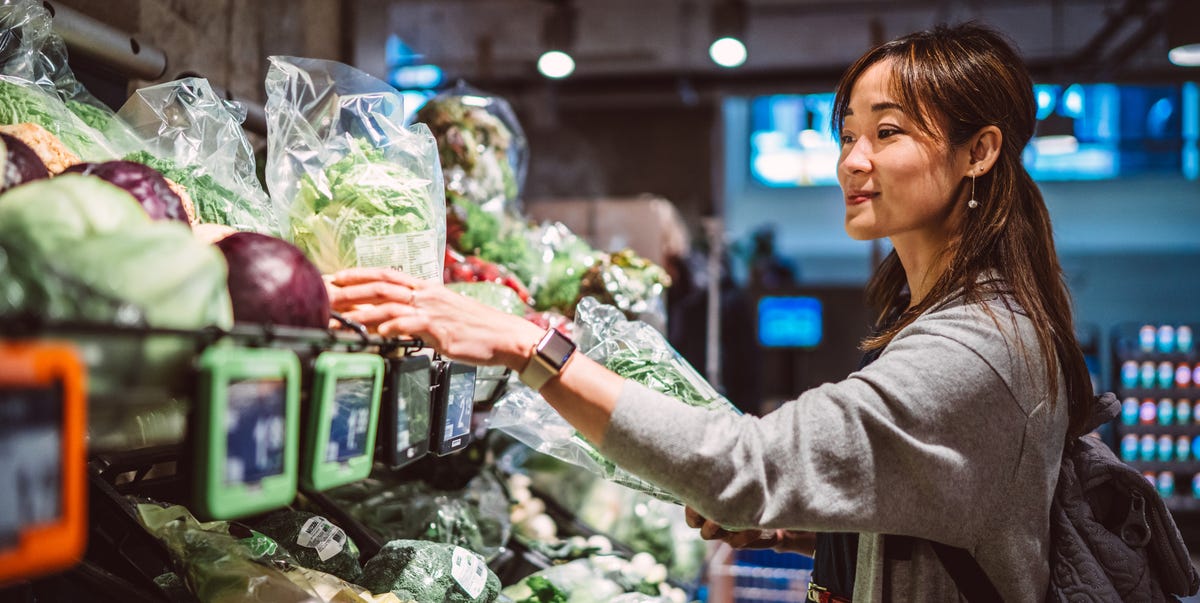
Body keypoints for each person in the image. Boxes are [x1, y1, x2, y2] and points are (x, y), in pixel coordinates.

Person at [325, 22, 1092, 602]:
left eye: (887, 133)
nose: (852, 160)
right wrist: (808, 526)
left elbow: (745, 463)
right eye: (848, 134)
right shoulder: (957, 320)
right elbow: (929, 514)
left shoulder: (974, 348)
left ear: (979, 151)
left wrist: (536, 347)